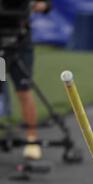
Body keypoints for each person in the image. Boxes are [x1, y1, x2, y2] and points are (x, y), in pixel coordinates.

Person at [5, 0, 52, 160]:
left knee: (23, 90)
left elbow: (46, 5)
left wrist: (39, 6)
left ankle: (32, 140)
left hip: (20, 47)